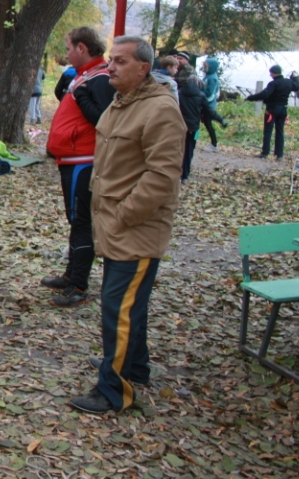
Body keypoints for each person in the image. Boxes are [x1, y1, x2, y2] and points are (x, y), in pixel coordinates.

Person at [69, 35, 185, 415]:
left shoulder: (161, 110)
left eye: (120, 62)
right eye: (111, 60)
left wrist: (124, 215)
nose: (111, 67)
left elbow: (163, 175)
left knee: (116, 308)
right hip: (117, 227)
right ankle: (133, 367)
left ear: (143, 69)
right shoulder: (123, 103)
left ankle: (112, 390)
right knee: (129, 306)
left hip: (135, 229)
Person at [41, 27, 116, 307]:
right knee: (77, 220)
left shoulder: (99, 77)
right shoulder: (86, 75)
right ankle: (71, 275)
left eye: (69, 48)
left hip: (83, 161)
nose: (67, 53)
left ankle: (78, 284)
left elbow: (104, 120)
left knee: (82, 221)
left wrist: (82, 97)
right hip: (72, 159)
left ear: (82, 48)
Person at [246, 65, 297, 160]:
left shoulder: (273, 84)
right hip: (283, 109)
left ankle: (265, 152)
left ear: (274, 73)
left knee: (268, 131)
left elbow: (265, 94)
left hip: (272, 110)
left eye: (271, 73)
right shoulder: (288, 82)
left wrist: (250, 98)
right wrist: (295, 78)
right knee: (280, 131)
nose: (270, 75)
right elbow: (296, 87)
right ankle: (279, 155)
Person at [174, 58, 206, 182]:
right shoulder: (201, 96)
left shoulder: (179, 94)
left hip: (180, 125)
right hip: (193, 127)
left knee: (178, 149)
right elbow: (208, 112)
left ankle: (176, 172)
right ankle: (185, 174)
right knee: (189, 150)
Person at [200, 58, 227, 152]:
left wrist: (199, 91)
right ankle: (220, 120)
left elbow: (209, 92)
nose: (204, 68)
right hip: (206, 103)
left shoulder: (212, 78)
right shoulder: (208, 76)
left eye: (206, 66)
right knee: (207, 123)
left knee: (208, 123)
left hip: (208, 103)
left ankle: (214, 144)